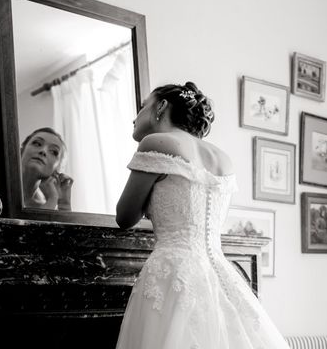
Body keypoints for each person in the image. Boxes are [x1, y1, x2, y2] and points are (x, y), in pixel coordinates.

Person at [115, 82, 289, 349]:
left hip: (173, 271)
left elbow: (125, 216)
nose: (135, 117)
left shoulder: (156, 143)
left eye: (142, 107)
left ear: (161, 107)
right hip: (218, 271)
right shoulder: (223, 159)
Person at [20, 127, 73, 211]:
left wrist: (64, 204)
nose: (43, 151)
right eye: (37, 143)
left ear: (58, 169)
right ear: (21, 151)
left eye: (53, 152)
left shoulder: (48, 203)